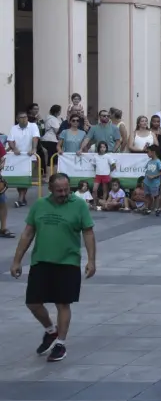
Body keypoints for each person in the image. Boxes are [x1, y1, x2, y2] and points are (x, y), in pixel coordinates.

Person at [9, 173, 97, 362]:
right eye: (59, 190)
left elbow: (88, 233)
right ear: (50, 189)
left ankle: (60, 344)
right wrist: (17, 260)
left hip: (68, 261)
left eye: (66, 189)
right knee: (32, 302)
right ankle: (51, 331)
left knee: (62, 303)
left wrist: (91, 260)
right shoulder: (40, 205)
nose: (64, 193)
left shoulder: (79, 205)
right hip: (41, 260)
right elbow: (27, 234)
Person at [8, 110, 40, 207]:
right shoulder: (14, 128)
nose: (24, 119)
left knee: (26, 178)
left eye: (25, 117)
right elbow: (10, 140)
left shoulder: (33, 126)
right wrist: (14, 149)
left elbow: (35, 138)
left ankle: (21, 199)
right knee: (19, 179)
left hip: (29, 156)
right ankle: (22, 197)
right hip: (17, 157)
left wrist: (33, 148)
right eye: (21, 117)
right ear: (17, 119)